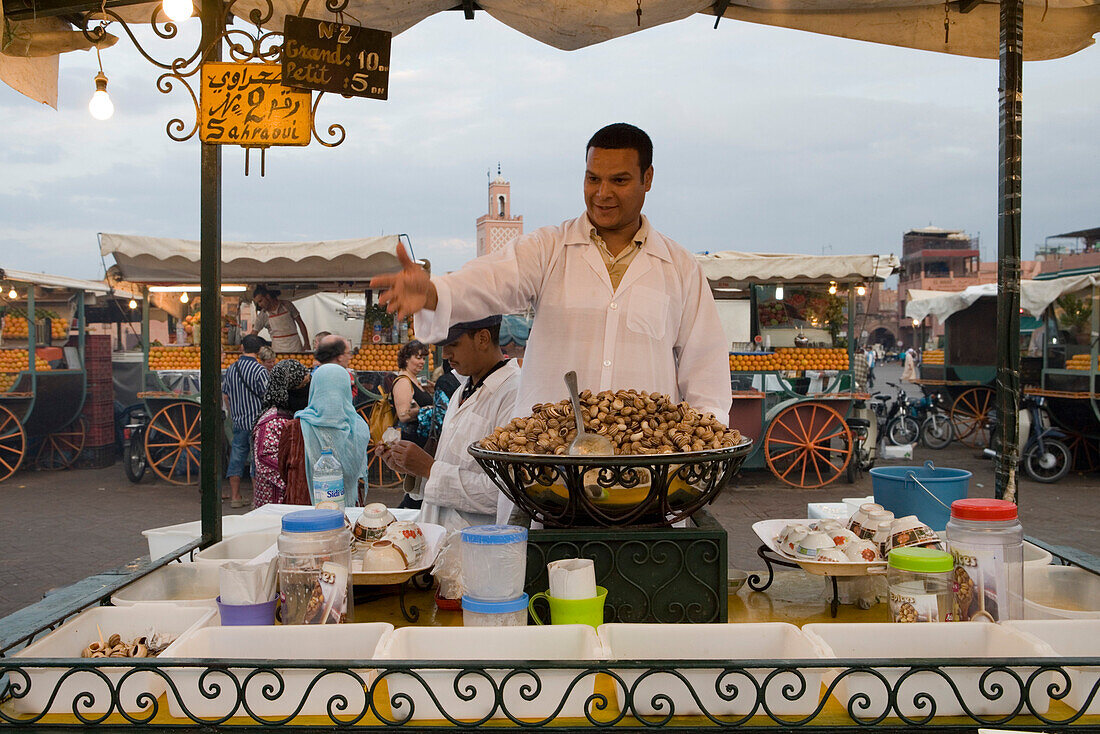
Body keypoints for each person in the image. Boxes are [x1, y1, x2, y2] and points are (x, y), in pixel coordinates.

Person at [370, 123, 731, 426]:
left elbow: (707, 370)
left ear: (647, 178)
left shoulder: (680, 268)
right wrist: (434, 293)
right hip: (550, 466)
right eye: (593, 178)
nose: (602, 193)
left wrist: (700, 451)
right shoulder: (548, 248)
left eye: (619, 180)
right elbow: (493, 278)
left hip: (647, 470)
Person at [378, 316, 520, 532]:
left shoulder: (513, 393)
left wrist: (429, 468)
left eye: (453, 345)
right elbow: (447, 472)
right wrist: (412, 469)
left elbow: (503, 494)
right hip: (439, 535)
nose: (445, 355)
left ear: (482, 339)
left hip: (475, 543)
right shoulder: (463, 390)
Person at [278, 363, 372, 506]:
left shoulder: (294, 429)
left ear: (314, 389)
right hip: (346, 510)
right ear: (346, 391)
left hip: (302, 507)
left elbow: (283, 471)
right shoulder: (358, 429)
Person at [251, 360, 310, 508]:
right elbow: (265, 457)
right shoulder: (272, 421)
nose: (306, 391)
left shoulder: (291, 414)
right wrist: (295, 474)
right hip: (275, 499)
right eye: (302, 386)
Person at [222, 334, 270, 508]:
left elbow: (225, 395)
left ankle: (235, 496)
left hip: (239, 421)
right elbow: (268, 395)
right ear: (258, 351)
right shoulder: (260, 370)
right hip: (257, 422)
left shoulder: (231, 369)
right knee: (257, 458)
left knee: (237, 456)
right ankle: (256, 499)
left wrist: (234, 412)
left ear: (242, 347)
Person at [393, 341, 433, 445]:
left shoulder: (415, 379)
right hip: (410, 440)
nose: (422, 362)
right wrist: (426, 411)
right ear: (406, 359)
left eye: (424, 358)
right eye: (418, 358)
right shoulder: (403, 382)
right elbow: (403, 416)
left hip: (420, 439)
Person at [250, 285, 309, 353]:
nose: (260, 305)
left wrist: (307, 343)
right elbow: (254, 332)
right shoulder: (263, 315)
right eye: (258, 303)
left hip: (295, 347)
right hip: (277, 349)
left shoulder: (287, 305)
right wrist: (247, 345)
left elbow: (300, 323)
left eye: (260, 301)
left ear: (268, 296)